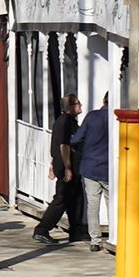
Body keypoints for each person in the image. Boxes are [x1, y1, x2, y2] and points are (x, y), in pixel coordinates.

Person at [34, 93, 88, 245]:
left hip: (66, 165)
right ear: (71, 107)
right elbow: (63, 146)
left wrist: (53, 164)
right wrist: (67, 168)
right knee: (62, 198)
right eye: (78, 103)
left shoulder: (66, 121)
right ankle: (42, 229)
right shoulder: (65, 123)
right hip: (67, 166)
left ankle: (76, 231)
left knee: (76, 198)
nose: (81, 105)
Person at [72, 93, 112, 252]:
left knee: (92, 206)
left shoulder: (92, 116)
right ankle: (114, 237)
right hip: (110, 169)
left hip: (90, 167)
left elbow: (76, 140)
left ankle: (95, 240)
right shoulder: (116, 118)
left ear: (103, 101)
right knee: (112, 205)